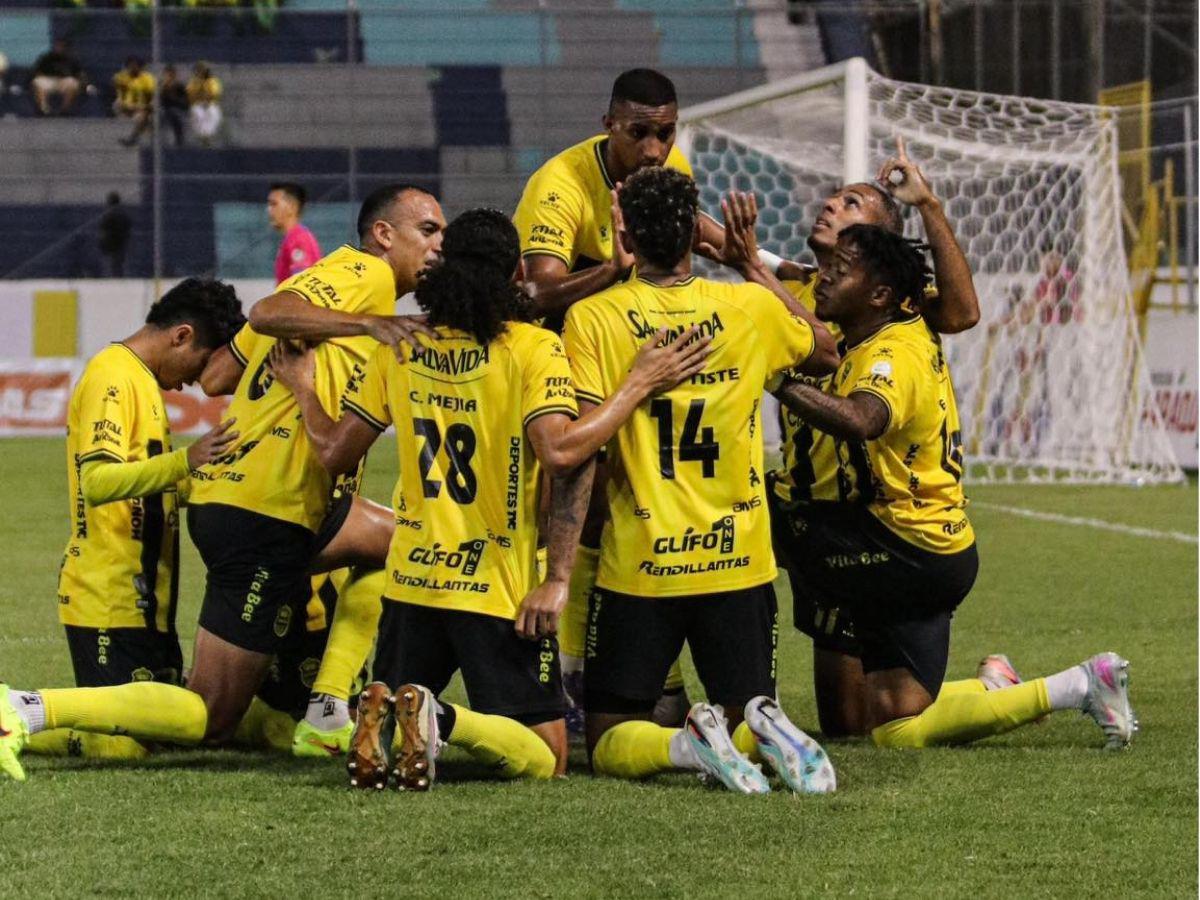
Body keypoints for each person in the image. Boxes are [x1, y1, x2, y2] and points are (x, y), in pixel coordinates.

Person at [0, 185, 444, 782]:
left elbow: (215, 375)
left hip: (246, 497)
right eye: (429, 230)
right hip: (264, 508)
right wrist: (366, 324)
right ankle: (24, 709)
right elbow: (267, 313)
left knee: (411, 544)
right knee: (207, 715)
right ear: (384, 235)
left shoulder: (325, 281)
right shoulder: (365, 276)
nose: (439, 243)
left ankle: (324, 708)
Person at [267, 208, 711, 788]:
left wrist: (304, 388)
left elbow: (332, 452)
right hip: (494, 589)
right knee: (547, 756)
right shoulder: (530, 348)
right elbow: (561, 451)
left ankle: (414, 711)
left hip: (411, 581)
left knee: (399, 728)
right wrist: (638, 383)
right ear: (517, 273)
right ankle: (443, 716)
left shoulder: (401, 344)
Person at [771, 223, 1136, 751]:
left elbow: (862, 418)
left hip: (901, 548)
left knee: (749, 519)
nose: (823, 279)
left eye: (839, 271)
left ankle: (735, 705)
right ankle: (1074, 684)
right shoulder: (890, 325)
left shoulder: (892, 353)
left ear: (879, 294)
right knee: (893, 726)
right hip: (924, 545)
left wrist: (776, 380)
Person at [562, 166, 840, 795]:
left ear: (623, 231)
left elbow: (584, 441)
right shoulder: (747, 308)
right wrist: (752, 266)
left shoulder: (595, 319)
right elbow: (824, 349)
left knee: (609, 738)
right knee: (746, 707)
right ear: (695, 235)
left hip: (642, 563)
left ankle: (688, 744)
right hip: (738, 561)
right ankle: (756, 730)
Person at [512, 68, 726, 730]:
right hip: (557, 360)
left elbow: (698, 229)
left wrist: (764, 264)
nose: (656, 149)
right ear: (609, 126)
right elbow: (536, 295)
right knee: (580, 515)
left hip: (631, 353)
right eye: (641, 134)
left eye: (666, 132)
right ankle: (570, 677)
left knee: (637, 510)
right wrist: (613, 269)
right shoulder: (560, 186)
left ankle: (637, 676)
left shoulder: (667, 164)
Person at [764, 137, 993, 738]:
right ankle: (993, 691)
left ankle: (736, 706)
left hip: (886, 522)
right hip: (839, 511)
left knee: (748, 519)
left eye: (853, 203)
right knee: (855, 726)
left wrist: (929, 207)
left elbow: (963, 312)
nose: (832, 206)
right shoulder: (812, 285)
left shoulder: (892, 317)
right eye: (835, 197)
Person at [14, 280, 243, 768]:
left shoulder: (140, 379)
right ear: (182, 336)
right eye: (200, 364)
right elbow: (96, 481)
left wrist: (221, 483)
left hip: (148, 600)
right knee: (122, 745)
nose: (196, 381)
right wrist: (186, 462)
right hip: (108, 599)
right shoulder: (112, 375)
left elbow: (150, 486)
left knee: (165, 731)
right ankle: (15, 716)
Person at [268, 183, 322, 286]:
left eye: (274, 204)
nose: (269, 210)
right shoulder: (293, 238)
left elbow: (302, 286)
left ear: (291, 207)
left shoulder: (298, 240)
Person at [30, 39, 84, 116]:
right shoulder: (46, 58)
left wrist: (86, 84)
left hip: (64, 81)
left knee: (73, 83)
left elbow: (79, 74)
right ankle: (44, 109)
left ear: (65, 48)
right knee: (37, 82)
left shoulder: (71, 59)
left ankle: (65, 109)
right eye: (56, 46)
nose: (58, 48)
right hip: (49, 80)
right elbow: (37, 72)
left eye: (61, 46)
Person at [113, 57, 155, 147]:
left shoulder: (147, 78)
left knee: (144, 116)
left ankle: (132, 139)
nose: (133, 68)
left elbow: (150, 97)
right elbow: (121, 96)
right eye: (130, 66)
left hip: (142, 108)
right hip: (127, 107)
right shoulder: (121, 77)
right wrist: (128, 105)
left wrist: (142, 106)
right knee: (116, 104)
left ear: (140, 67)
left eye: (135, 66)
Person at [186, 62, 222, 146]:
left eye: (202, 70)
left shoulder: (212, 81)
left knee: (213, 112)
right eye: (199, 70)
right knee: (196, 112)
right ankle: (203, 138)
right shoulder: (194, 82)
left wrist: (203, 96)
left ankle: (208, 138)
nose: (200, 72)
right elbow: (190, 95)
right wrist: (201, 95)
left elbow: (214, 94)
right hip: (198, 104)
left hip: (210, 104)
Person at [97, 193, 132, 277]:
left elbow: (103, 230)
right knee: (119, 264)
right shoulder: (123, 215)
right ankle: (119, 277)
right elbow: (128, 227)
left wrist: (102, 243)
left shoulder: (107, 215)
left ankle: (112, 278)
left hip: (110, 245)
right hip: (121, 244)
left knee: (111, 265)